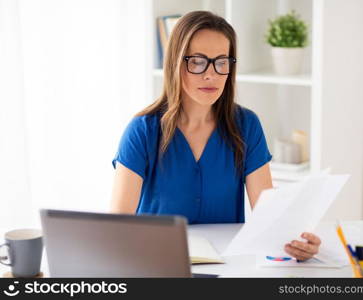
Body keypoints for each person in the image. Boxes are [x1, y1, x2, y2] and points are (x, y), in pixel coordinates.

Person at [110, 11, 320, 261]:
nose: (211, 74)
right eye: (198, 62)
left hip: (225, 266)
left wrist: (296, 244)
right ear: (176, 63)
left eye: (221, 62)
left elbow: (268, 215)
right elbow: (118, 226)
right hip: (157, 263)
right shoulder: (142, 130)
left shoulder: (246, 125)